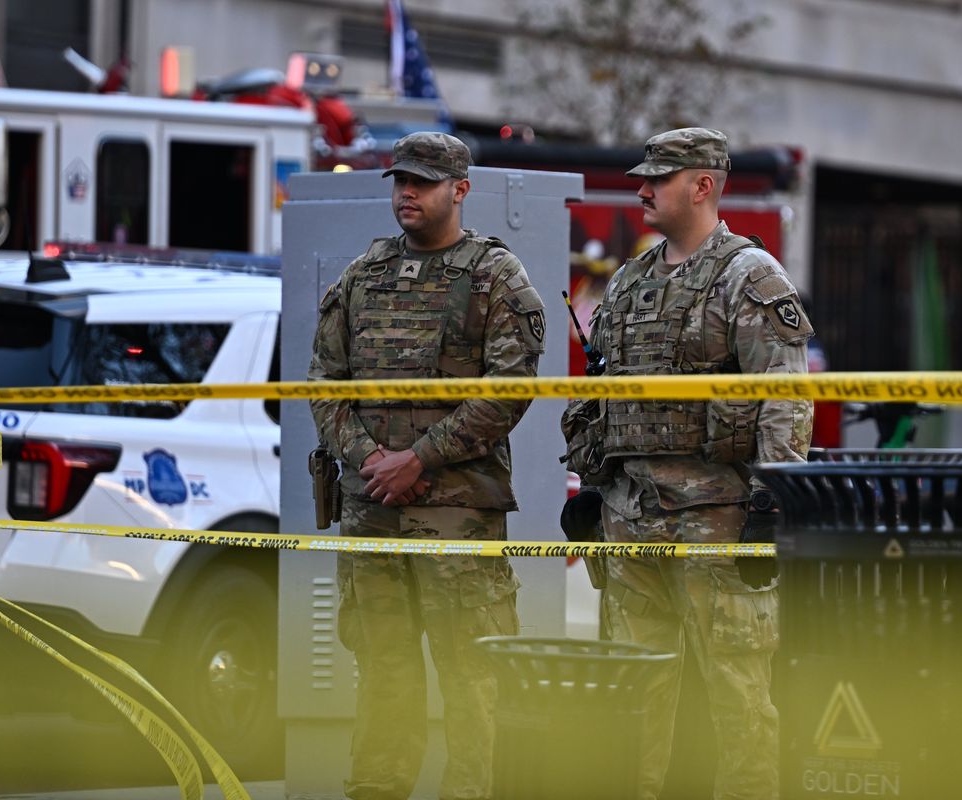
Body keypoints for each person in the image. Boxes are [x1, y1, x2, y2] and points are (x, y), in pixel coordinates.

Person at [563, 127, 814, 799]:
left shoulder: (750, 277)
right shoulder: (630, 282)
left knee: (738, 696)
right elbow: (601, 392)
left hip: (717, 524)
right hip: (630, 519)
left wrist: (771, 504)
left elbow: (784, 399)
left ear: (702, 185)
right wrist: (592, 486)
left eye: (658, 178)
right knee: (634, 698)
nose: (640, 189)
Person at [309, 131, 546, 800]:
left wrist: (420, 458)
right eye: (399, 180)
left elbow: (508, 391)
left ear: (460, 189)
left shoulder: (496, 275)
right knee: (382, 670)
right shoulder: (364, 273)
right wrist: (371, 460)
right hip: (371, 510)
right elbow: (324, 381)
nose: (405, 192)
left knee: (470, 675)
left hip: (456, 514)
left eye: (422, 181)